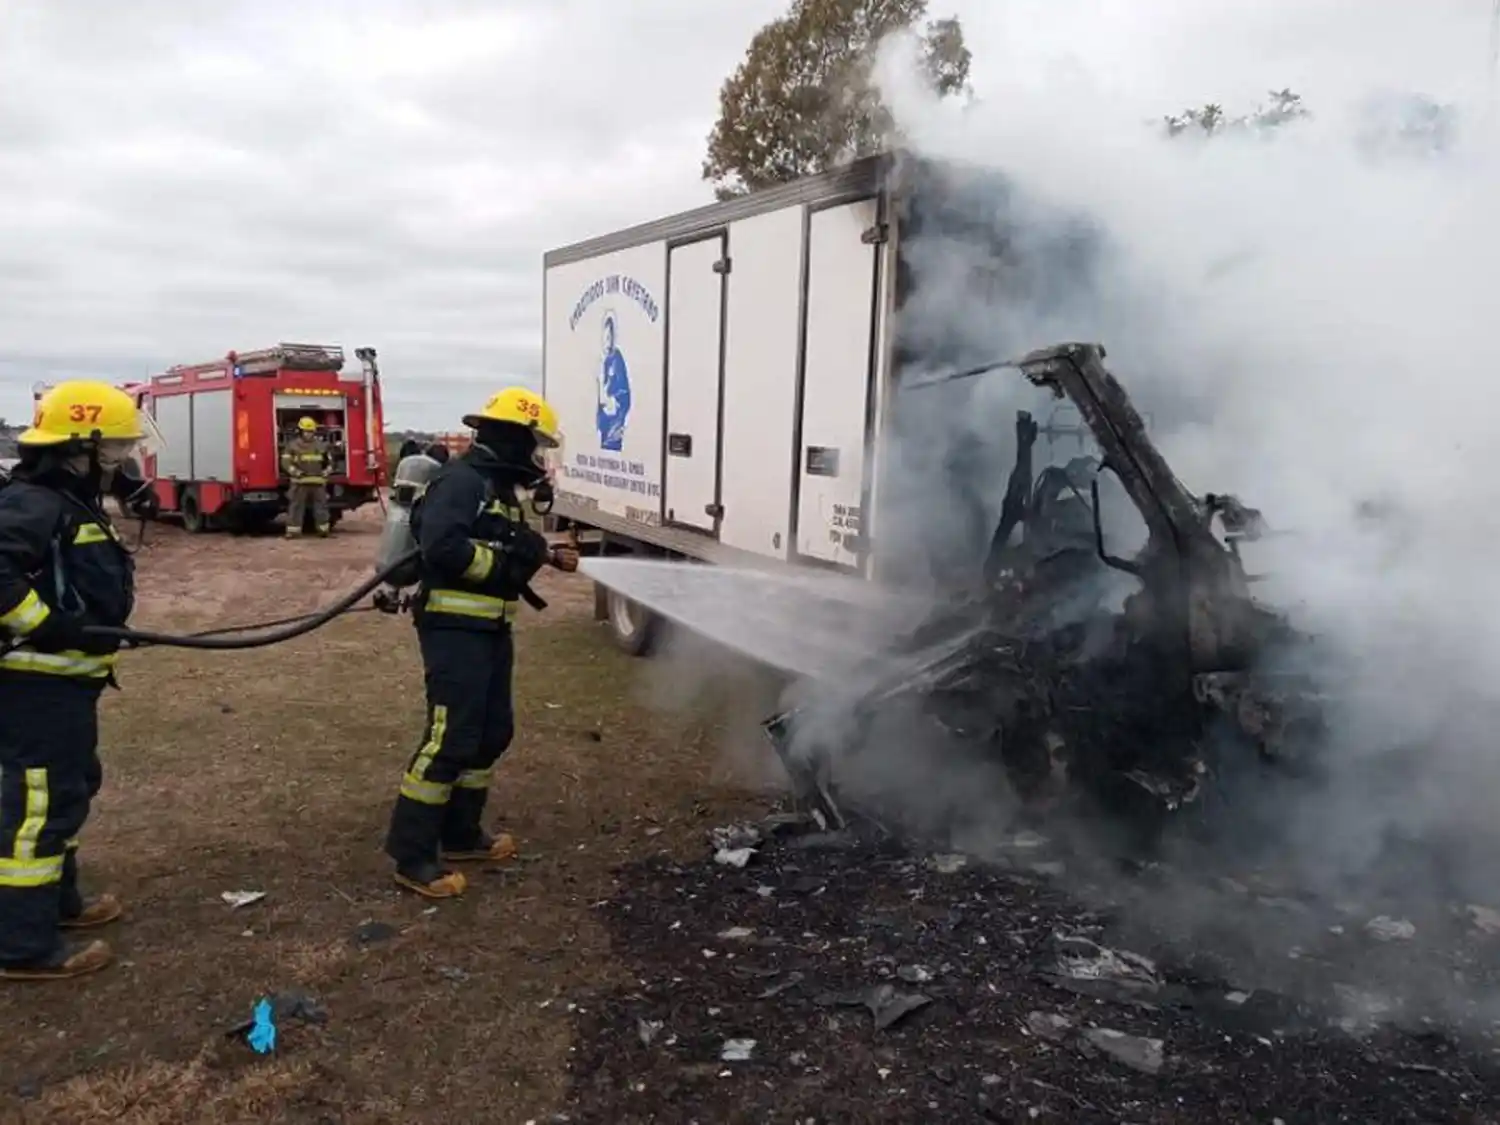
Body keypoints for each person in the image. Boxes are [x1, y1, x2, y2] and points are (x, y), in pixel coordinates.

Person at [384, 387, 578, 898]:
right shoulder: (461, 482)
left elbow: (509, 543)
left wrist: (544, 555)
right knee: (450, 738)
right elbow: (443, 547)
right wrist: (505, 567)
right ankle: (413, 855)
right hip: (453, 628)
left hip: (491, 628)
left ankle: (462, 833)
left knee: (492, 733)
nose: (535, 456)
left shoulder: (495, 490)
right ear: (511, 438)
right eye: (532, 444)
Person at [0, 381, 150, 980]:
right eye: (112, 451)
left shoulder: (64, 503)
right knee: (37, 804)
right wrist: (51, 628)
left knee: (67, 789)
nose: (118, 464)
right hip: (33, 685)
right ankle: (23, 946)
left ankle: (57, 905)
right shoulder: (32, 505)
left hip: (64, 683)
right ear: (76, 450)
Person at [281, 416, 332, 538]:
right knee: (296, 507)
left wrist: (327, 471)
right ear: (300, 431)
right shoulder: (292, 446)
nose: (308, 434)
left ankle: (323, 530)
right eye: (306, 431)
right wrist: (295, 472)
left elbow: (329, 462)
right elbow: (285, 462)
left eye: (311, 432)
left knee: (321, 508)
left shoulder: (321, 446)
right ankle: (293, 531)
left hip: (318, 482)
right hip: (299, 482)